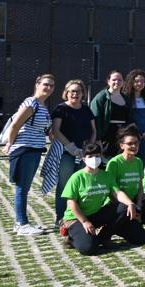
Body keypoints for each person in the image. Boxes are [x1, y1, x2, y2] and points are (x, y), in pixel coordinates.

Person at [62, 143, 145, 255]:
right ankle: (71, 236)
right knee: (89, 249)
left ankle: (104, 237)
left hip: (96, 213)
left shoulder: (106, 175)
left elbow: (118, 193)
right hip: (77, 218)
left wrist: (130, 203)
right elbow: (71, 203)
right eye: (90, 156)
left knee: (124, 207)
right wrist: (85, 221)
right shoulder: (77, 177)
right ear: (83, 158)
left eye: (97, 156)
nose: (94, 159)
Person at [4, 74, 55, 236]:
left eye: (52, 86)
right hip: (25, 149)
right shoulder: (31, 102)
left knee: (24, 188)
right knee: (22, 188)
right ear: (37, 84)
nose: (49, 88)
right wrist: (9, 145)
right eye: (46, 84)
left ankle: (22, 222)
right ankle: (21, 224)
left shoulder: (42, 105)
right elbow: (15, 125)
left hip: (35, 149)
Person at [49, 79, 97, 225]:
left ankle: (78, 213)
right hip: (66, 153)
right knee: (65, 185)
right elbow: (56, 130)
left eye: (78, 91)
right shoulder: (60, 109)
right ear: (66, 93)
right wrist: (70, 147)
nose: (75, 94)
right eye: (72, 91)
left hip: (83, 154)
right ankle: (61, 216)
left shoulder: (86, 109)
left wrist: (89, 148)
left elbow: (93, 131)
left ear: (83, 93)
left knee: (81, 184)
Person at [107, 126, 145, 225]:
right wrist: (128, 204)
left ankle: (135, 220)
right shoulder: (114, 163)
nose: (134, 146)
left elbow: (140, 186)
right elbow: (112, 189)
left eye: (136, 143)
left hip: (134, 202)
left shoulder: (138, 161)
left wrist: (138, 205)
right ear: (122, 145)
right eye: (130, 143)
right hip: (119, 204)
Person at [90, 71, 128, 156]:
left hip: (122, 136)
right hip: (107, 136)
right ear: (108, 81)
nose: (117, 82)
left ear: (123, 82)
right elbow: (95, 119)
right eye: (114, 79)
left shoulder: (126, 98)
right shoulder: (101, 97)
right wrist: (98, 139)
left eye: (120, 80)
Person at [123, 69, 145, 166]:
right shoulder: (126, 99)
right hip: (130, 139)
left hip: (144, 140)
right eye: (136, 81)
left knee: (140, 165)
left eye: (142, 81)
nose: (139, 83)